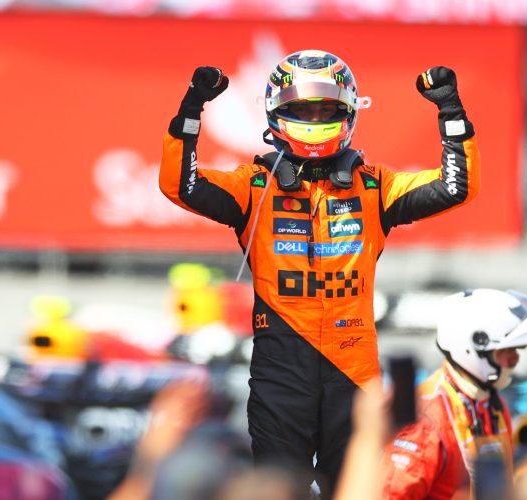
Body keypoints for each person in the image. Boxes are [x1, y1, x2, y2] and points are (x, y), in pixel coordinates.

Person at [159, 51, 480, 496]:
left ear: (348, 112)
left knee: (356, 489)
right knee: (277, 489)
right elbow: (180, 184)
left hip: (354, 369)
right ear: (276, 111)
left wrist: (450, 110)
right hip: (280, 369)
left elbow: (456, 186)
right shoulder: (253, 186)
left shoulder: (375, 186)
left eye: (325, 110)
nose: (314, 120)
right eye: (302, 110)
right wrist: (193, 107)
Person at [382, 288, 527, 499]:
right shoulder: (427, 419)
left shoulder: (491, 404)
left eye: (517, 350)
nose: (515, 359)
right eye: (506, 350)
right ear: (475, 349)